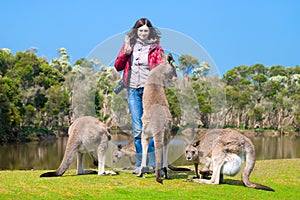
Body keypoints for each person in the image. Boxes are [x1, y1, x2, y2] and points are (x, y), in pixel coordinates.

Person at [114, 18, 165, 174]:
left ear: (150, 31)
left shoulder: (156, 48)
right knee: (138, 129)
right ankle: (140, 164)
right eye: (140, 30)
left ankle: (151, 163)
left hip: (150, 91)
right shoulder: (129, 46)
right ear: (136, 31)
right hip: (132, 90)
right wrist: (126, 52)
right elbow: (117, 66)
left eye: (145, 30)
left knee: (152, 128)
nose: (143, 33)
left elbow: (163, 67)